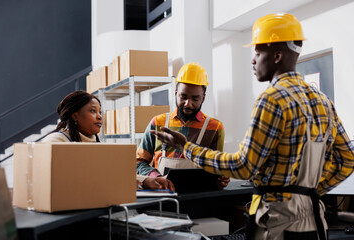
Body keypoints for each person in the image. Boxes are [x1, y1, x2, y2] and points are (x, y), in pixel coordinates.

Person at [150, 13, 354, 240]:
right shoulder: (323, 101)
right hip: (315, 221)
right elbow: (348, 159)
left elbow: (243, 167)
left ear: (277, 55)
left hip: (277, 223)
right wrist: (307, 193)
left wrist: (187, 147)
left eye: (258, 52)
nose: (253, 60)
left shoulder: (272, 99)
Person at [42, 90, 174, 191]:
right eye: (93, 111)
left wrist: (146, 180)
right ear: (75, 115)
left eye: (100, 112)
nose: (99, 117)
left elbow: (109, 174)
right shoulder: (56, 141)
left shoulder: (94, 143)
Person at [136, 62, 230, 189]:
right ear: (175, 93)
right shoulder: (157, 122)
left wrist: (220, 179)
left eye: (195, 99)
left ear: (203, 98)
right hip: (162, 195)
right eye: (183, 97)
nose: (188, 104)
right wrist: (156, 177)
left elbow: (216, 168)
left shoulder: (215, 128)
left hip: (198, 198)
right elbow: (138, 163)